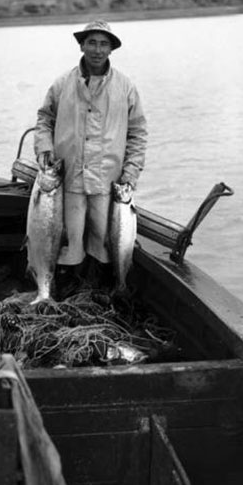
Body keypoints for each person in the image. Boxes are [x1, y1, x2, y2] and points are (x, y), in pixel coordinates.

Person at [34, 20, 147, 292]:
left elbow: (138, 133)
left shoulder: (126, 87)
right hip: (67, 177)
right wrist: (45, 147)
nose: (97, 49)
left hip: (109, 182)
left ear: (111, 49)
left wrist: (130, 173)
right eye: (92, 42)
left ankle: (103, 289)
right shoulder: (62, 84)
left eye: (104, 44)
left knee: (104, 239)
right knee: (67, 238)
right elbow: (44, 119)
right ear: (81, 45)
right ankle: (65, 287)